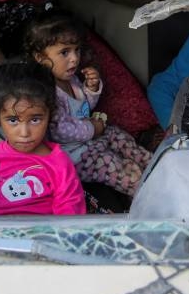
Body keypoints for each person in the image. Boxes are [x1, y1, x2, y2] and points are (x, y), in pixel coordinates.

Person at [25, 12, 150, 197]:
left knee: (118, 135)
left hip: (90, 138)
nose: (74, 58)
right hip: (76, 155)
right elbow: (60, 131)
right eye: (65, 52)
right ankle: (143, 189)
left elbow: (84, 109)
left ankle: (152, 162)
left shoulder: (72, 80)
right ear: (39, 57)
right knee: (111, 165)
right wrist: (93, 128)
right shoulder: (47, 92)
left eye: (77, 50)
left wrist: (91, 88)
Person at [0, 62, 85, 216]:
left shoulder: (59, 163)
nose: (24, 133)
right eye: (13, 120)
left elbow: (70, 222)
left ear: (50, 115)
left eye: (35, 120)